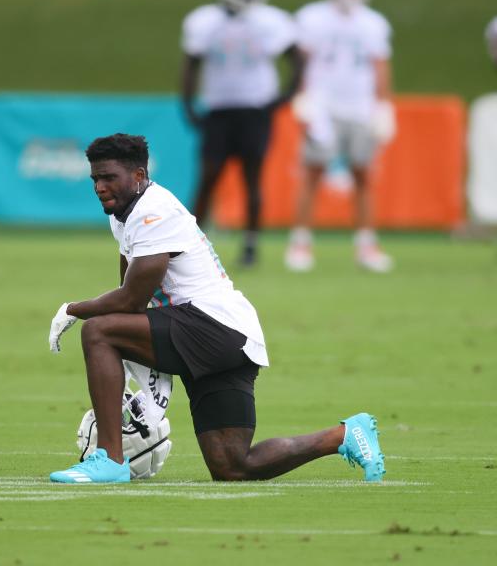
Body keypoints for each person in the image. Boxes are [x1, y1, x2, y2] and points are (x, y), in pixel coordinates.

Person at [46, 134, 384, 484]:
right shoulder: (126, 213)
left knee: (98, 331)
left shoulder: (153, 211)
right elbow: (131, 298)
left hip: (211, 327)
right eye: (95, 179)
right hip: (229, 335)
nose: (100, 187)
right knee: (233, 466)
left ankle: (111, 460)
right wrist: (142, 373)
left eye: (108, 177)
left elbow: (130, 300)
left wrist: (74, 309)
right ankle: (344, 435)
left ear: (138, 175)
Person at [182, 0, 302, 267]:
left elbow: (297, 59)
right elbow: (190, 65)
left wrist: (282, 99)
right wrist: (188, 105)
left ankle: (251, 246)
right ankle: (190, 244)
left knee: (252, 178)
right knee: (208, 178)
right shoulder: (204, 20)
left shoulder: (271, 20)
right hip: (219, 109)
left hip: (254, 109)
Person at [285, 0, 396, 273]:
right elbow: (300, 61)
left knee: (363, 174)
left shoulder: (374, 22)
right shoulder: (312, 17)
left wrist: (384, 105)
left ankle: (366, 245)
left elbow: (380, 66)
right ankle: (300, 242)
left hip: (360, 107)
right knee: (313, 172)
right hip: (322, 106)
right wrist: (301, 96)